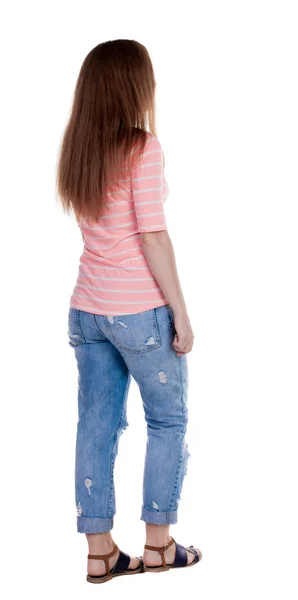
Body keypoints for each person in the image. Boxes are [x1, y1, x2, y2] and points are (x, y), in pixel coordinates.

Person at [56, 38, 202, 584]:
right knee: (168, 420)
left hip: (87, 309)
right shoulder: (142, 147)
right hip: (138, 312)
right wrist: (181, 314)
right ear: (134, 86)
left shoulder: (79, 146)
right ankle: (160, 546)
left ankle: (100, 554)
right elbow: (153, 237)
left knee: (95, 426)